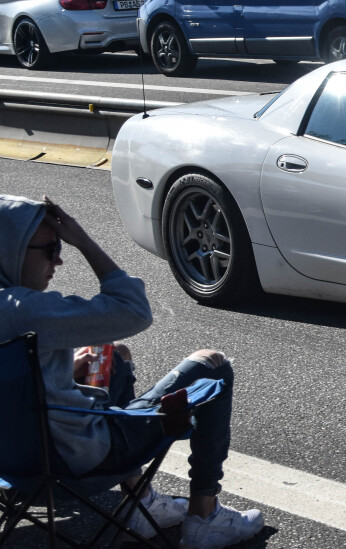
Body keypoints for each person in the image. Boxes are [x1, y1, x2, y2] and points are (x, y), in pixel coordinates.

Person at [0, 194, 265, 549]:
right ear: (10, 248)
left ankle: (141, 502)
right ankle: (205, 515)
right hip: (78, 464)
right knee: (212, 364)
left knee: (114, 357)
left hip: (12, 468)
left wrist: (56, 375)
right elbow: (134, 309)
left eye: (62, 247)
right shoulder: (26, 310)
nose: (59, 260)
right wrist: (83, 240)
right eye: (50, 249)